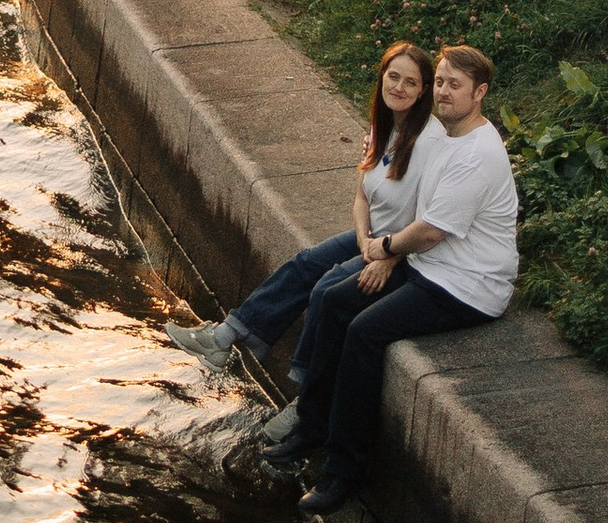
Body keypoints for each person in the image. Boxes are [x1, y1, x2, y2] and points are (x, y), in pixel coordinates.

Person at [264, 43, 518, 516]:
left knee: (364, 332)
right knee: (337, 300)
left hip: (469, 285)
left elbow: (432, 230)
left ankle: (343, 471)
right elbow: (416, 214)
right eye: (440, 81)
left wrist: (384, 251)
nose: (443, 91)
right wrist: (390, 257)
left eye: (454, 85)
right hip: (430, 264)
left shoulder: (477, 153)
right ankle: (310, 425)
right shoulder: (446, 136)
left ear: (479, 93)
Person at [171, 47, 440, 377]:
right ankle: (226, 338)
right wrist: (362, 239)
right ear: (382, 76)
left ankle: (306, 390)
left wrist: (388, 257)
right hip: (373, 238)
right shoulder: (382, 124)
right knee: (306, 263)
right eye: (393, 76)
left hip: (403, 251)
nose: (399, 87)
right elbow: (361, 198)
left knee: (326, 289)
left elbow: (429, 222)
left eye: (410, 82)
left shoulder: (431, 144)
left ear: (424, 90)